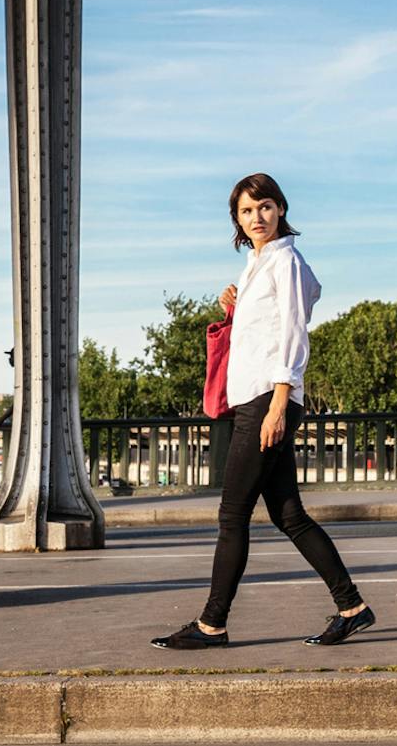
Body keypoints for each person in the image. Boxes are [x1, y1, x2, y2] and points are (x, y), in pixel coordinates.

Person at [152, 173, 373, 650]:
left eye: (266, 207)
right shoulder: (263, 263)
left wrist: (278, 403)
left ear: (280, 209)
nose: (258, 217)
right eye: (248, 211)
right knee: (289, 515)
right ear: (237, 218)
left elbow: (295, 329)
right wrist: (237, 300)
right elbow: (312, 293)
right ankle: (352, 606)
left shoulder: (285, 259)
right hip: (254, 400)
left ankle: (213, 624)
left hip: (265, 402)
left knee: (232, 516)